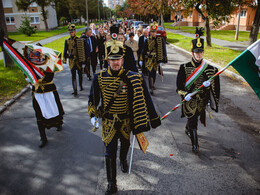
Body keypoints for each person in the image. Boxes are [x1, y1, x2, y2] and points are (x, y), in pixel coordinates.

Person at [88, 26, 161, 195]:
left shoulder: (134, 77)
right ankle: (111, 184)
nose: (116, 62)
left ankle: (123, 159)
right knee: (109, 152)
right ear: (107, 59)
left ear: (123, 58)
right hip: (108, 122)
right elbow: (93, 99)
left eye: (118, 58)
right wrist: (93, 115)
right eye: (112, 59)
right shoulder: (99, 78)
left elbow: (147, 100)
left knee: (125, 145)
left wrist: (154, 118)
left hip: (127, 121)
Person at [176, 27, 220, 153]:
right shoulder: (184, 67)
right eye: (196, 52)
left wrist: (209, 84)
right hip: (190, 101)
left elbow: (215, 83)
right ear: (192, 53)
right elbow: (178, 88)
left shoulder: (209, 68)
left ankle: (187, 129)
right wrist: (185, 94)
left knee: (193, 119)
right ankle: (195, 145)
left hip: (202, 101)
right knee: (193, 120)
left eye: (201, 52)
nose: (199, 54)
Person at [143, 22, 167, 95]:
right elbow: (144, 50)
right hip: (149, 59)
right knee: (150, 73)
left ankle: (153, 84)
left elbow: (163, 50)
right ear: (150, 32)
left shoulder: (160, 40)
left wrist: (162, 59)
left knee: (154, 72)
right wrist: (142, 59)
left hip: (156, 59)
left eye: (155, 32)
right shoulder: (147, 40)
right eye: (152, 32)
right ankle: (150, 88)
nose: (153, 34)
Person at [63, 24, 83, 96]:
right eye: (70, 32)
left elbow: (82, 51)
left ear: (75, 32)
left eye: (72, 32)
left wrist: (83, 60)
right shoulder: (67, 41)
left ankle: (80, 85)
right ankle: (75, 90)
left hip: (78, 60)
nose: (71, 33)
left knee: (80, 74)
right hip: (71, 60)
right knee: (73, 76)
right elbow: (65, 51)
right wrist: (64, 60)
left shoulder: (79, 40)